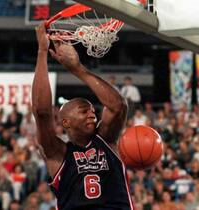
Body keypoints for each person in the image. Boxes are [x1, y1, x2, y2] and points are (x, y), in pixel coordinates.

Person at [32, 23, 131, 210]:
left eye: (93, 110)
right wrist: (42, 51)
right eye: (83, 111)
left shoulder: (106, 140)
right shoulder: (57, 153)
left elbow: (118, 105)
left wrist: (78, 69)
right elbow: (42, 112)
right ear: (66, 122)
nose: (92, 114)